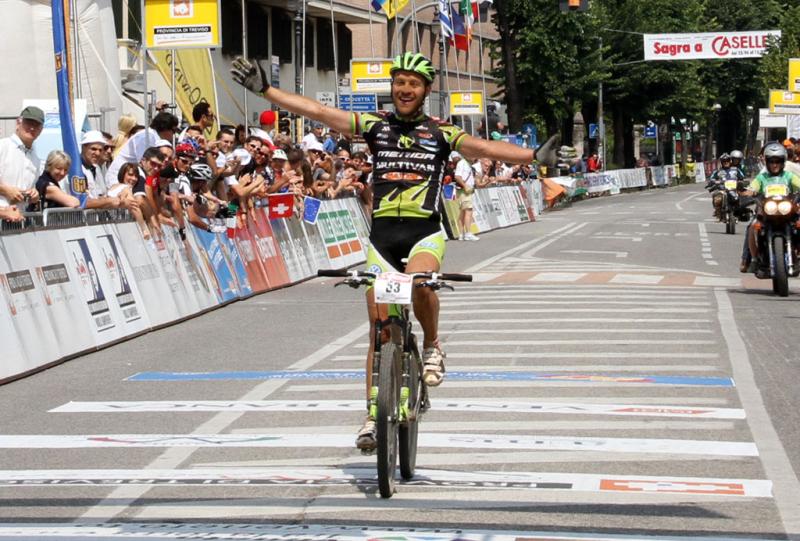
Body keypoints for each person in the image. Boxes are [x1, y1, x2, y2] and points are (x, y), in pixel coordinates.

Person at [231, 51, 553, 451]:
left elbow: (483, 148)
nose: (405, 89)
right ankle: (371, 414)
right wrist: (266, 90)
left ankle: (433, 345)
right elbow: (317, 109)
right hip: (382, 239)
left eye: (413, 84)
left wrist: (532, 156)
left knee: (420, 285)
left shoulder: (441, 132)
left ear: (425, 91)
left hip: (423, 234)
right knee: (379, 330)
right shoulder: (373, 126)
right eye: (399, 82)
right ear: (393, 87)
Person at [739, 142, 800, 275]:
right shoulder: (762, 177)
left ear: (783, 162)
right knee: (752, 227)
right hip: (766, 212)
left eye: (778, 161)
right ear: (766, 162)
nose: (774, 164)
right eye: (771, 161)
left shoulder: (789, 176)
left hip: (786, 211)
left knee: (799, 223)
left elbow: (799, 185)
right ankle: (750, 259)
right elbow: (752, 188)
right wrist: (746, 192)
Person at [107, 112, 179, 185]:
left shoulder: (152, 136)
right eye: (173, 131)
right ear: (165, 128)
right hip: (120, 176)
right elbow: (145, 165)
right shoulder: (147, 137)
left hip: (132, 174)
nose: (174, 134)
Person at [0, 106, 43, 209]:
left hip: (20, 219)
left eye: (36, 125)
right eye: (28, 123)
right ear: (18, 123)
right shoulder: (2, 146)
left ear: (41, 130)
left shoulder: (35, 159)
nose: (32, 128)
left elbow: (31, 188)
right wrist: (5, 190)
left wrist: (34, 194)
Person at [707, 153, 744, 219]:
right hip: (722, 189)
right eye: (724, 161)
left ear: (730, 161)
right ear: (721, 162)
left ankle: (740, 211)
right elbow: (711, 178)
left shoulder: (736, 169)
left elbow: (742, 177)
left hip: (734, 189)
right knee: (716, 198)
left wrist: (741, 182)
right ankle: (717, 211)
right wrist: (714, 181)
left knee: (743, 198)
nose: (726, 162)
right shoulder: (718, 171)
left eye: (727, 160)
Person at [452, 151, 479, 241]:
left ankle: (461, 234)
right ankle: (468, 233)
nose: (474, 157)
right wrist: (465, 185)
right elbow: (457, 176)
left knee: (463, 212)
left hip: (467, 190)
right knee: (468, 211)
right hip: (464, 191)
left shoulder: (468, 164)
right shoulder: (462, 163)